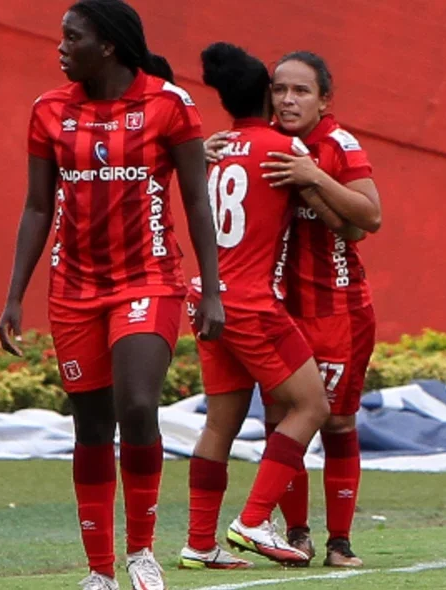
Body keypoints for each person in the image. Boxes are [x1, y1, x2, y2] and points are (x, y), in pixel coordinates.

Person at [0, 2, 225, 589]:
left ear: (110, 45)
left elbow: (198, 203)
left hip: (149, 278)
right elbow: (37, 206)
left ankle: (141, 552)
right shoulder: (48, 111)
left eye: (72, 37)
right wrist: (14, 295)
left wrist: (213, 290)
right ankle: (100, 573)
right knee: (91, 427)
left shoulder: (170, 105)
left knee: (139, 405)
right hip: (73, 290)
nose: (61, 47)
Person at [180, 41, 348, 571]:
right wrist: (318, 182)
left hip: (207, 299)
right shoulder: (282, 149)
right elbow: (350, 225)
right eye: (280, 89)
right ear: (265, 96)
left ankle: (198, 542)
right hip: (254, 302)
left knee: (219, 424)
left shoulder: (211, 148)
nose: (287, 98)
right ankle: (253, 519)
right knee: (313, 406)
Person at [259, 50, 384, 568]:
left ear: (324, 99)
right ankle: (296, 533)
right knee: (282, 419)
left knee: (335, 423)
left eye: (301, 91)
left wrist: (312, 176)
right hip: (274, 308)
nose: (287, 99)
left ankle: (340, 541)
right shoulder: (263, 142)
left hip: (337, 309)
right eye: (280, 89)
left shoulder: (339, 145)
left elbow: (368, 217)